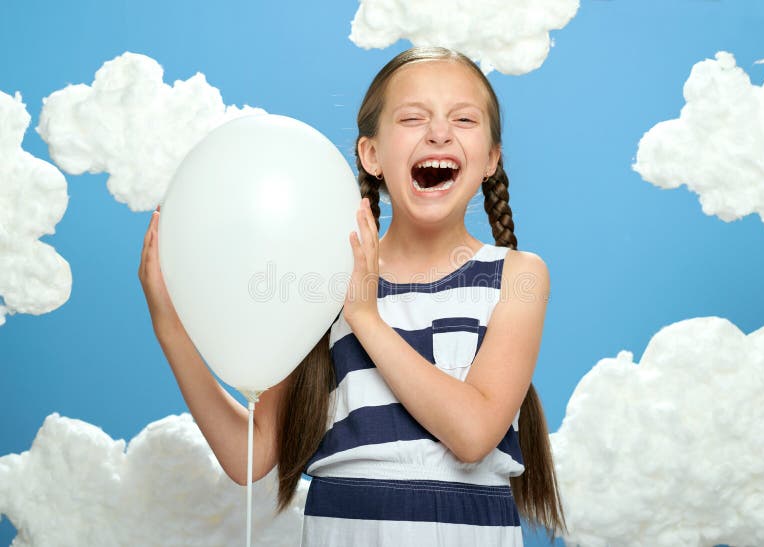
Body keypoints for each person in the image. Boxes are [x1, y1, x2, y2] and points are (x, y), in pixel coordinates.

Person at [139, 45, 567, 546]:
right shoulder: (324, 273)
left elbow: (473, 436)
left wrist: (365, 318)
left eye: (464, 119)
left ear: (491, 159)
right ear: (371, 154)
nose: (439, 132)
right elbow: (249, 457)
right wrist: (169, 324)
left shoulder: (517, 276)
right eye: (412, 117)